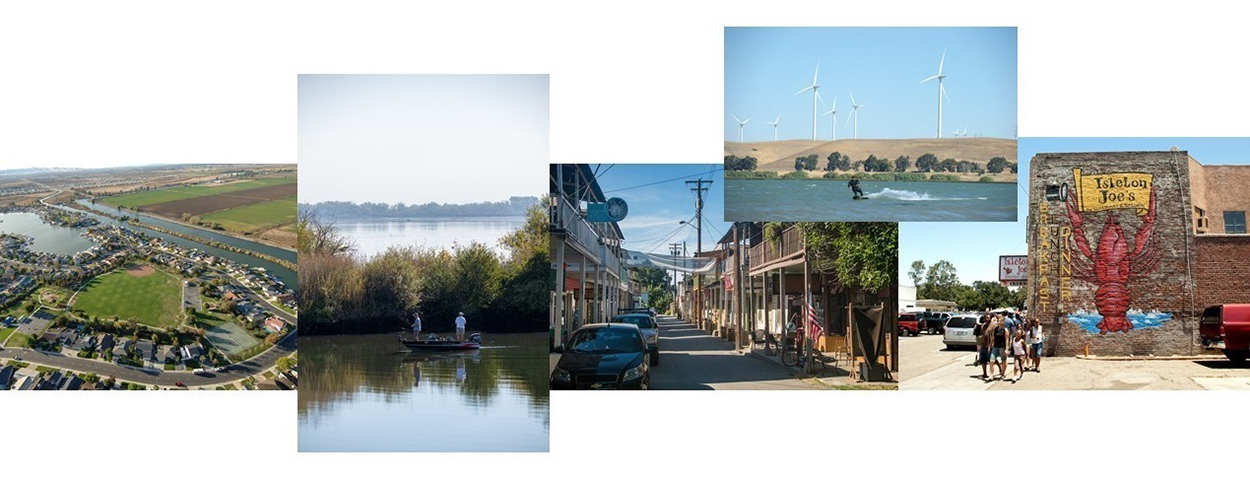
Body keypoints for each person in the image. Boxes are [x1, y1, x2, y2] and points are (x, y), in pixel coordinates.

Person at [990, 315, 1008, 380]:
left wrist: (1006, 349)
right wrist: (990, 344)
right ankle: (991, 375)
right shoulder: (995, 329)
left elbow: (1007, 340)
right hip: (995, 346)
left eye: (1000, 321)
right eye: (998, 320)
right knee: (992, 360)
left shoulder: (1005, 330)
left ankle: (1003, 374)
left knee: (1003, 361)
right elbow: (993, 337)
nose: (999, 322)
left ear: (1003, 322)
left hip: (1002, 347)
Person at [974, 315, 990, 380]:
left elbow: (974, 332)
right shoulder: (985, 325)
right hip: (983, 339)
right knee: (985, 353)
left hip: (978, 338)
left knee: (978, 350)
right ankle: (979, 360)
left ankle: (977, 360)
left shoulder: (977, 325)